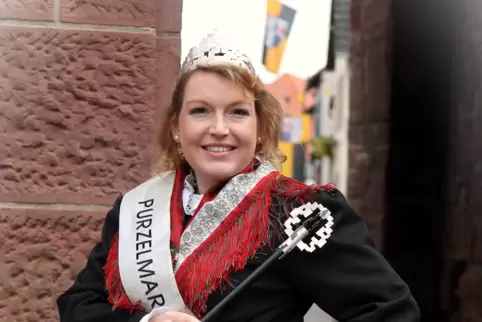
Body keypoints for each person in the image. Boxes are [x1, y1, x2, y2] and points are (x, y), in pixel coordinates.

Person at [56, 31, 420, 322]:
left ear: (260, 127)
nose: (219, 128)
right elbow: (78, 305)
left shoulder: (298, 214)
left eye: (237, 113)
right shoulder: (135, 209)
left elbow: (390, 311)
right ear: (177, 127)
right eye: (200, 111)